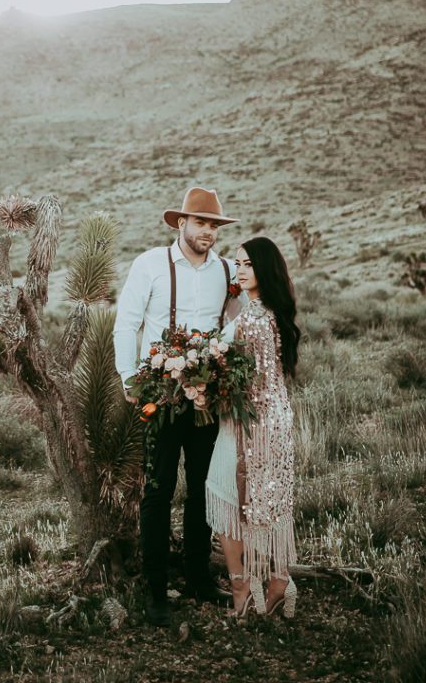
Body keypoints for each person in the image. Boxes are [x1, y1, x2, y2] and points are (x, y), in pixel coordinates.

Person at [113, 187, 244, 626]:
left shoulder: (226, 271)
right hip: (161, 395)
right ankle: (155, 591)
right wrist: (129, 377)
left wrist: (225, 369)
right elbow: (127, 321)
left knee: (204, 488)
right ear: (181, 224)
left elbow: (237, 321)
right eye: (202, 223)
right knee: (158, 489)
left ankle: (198, 579)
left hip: (207, 397)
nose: (209, 231)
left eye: (214, 225)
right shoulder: (149, 264)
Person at [206, 235, 300, 619]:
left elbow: (248, 382)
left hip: (249, 423)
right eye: (238, 264)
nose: (240, 271)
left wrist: (207, 381)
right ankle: (279, 582)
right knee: (271, 502)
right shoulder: (275, 313)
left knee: (224, 495)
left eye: (247, 264)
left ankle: (242, 588)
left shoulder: (251, 321)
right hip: (276, 419)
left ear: (265, 269)